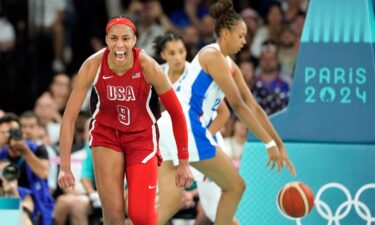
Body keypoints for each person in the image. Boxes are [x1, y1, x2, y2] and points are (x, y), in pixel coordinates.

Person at [157, 1, 296, 224]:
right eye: (240, 36)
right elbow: (238, 105)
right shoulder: (212, 56)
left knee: (171, 202)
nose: (244, 41)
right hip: (185, 125)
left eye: (246, 36)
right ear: (224, 33)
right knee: (235, 187)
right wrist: (267, 144)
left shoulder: (229, 64)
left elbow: (254, 106)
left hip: (169, 127)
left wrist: (278, 144)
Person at [57, 16, 194, 225]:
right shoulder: (92, 65)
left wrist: (184, 161)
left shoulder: (148, 66)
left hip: (141, 138)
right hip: (106, 135)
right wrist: (64, 166)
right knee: (113, 216)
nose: (119, 45)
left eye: (125, 39)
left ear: (134, 40)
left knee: (140, 215)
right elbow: (68, 118)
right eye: (113, 38)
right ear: (106, 40)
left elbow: (177, 113)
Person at [153, 32, 238, 225]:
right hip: (175, 145)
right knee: (169, 203)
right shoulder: (157, 75)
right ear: (163, 55)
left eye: (181, 51)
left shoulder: (196, 73)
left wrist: (201, 139)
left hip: (204, 141)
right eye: (172, 53)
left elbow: (224, 113)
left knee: (215, 211)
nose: (178, 57)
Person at [0, 113, 54, 225]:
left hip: (32, 200)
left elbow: (43, 173)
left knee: (20, 215)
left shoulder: (37, 149)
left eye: (15, 131)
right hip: (6, 195)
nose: (11, 135)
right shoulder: (2, 153)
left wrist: (24, 150)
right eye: (6, 132)